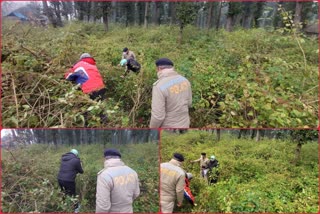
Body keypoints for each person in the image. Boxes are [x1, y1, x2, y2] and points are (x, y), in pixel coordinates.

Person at [150, 58, 192, 128]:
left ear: (159, 69)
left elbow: (158, 116)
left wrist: (151, 129)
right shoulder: (185, 80)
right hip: (185, 124)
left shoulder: (159, 86)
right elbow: (189, 103)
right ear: (172, 68)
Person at [96, 148, 140, 213]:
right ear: (119, 158)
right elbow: (136, 193)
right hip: (129, 210)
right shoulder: (132, 172)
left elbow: (103, 206)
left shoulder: (104, 175)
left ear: (105, 158)